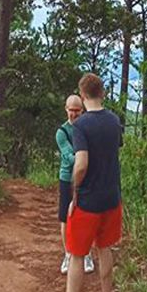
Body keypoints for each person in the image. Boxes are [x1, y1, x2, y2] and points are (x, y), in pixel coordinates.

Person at [55, 73, 123, 292]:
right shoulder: (114, 121)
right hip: (111, 198)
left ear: (82, 96)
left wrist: (75, 192)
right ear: (102, 93)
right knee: (104, 248)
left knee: (76, 255)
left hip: (88, 201)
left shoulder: (81, 125)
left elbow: (81, 164)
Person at [57, 95, 95, 275]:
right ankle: (68, 254)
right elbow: (69, 156)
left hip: (87, 177)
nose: (73, 114)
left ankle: (86, 253)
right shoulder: (62, 132)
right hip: (67, 178)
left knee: (87, 216)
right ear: (66, 109)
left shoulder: (87, 128)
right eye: (71, 110)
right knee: (65, 217)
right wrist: (86, 159)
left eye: (77, 111)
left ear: (82, 110)